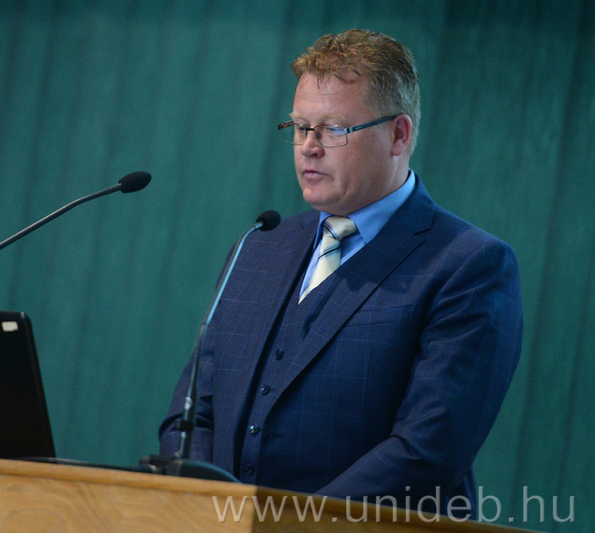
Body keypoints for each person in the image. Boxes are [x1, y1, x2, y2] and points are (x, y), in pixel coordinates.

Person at [159, 29, 522, 519]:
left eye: (334, 129)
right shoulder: (258, 247)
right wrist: (206, 510)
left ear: (398, 135)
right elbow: (190, 418)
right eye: (299, 127)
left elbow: (427, 452)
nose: (309, 147)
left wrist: (292, 526)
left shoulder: (469, 265)